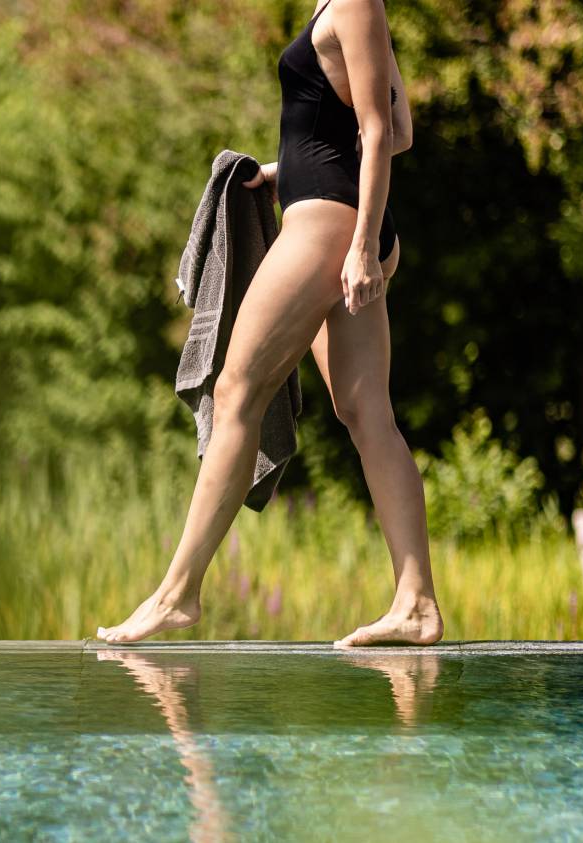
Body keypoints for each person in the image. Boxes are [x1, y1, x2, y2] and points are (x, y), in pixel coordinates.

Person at [97, 0, 443, 647]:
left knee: (236, 391)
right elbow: (392, 129)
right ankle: (416, 600)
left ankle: (177, 595)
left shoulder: (355, 4)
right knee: (367, 415)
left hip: (329, 226)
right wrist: (279, 172)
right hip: (328, 213)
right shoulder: (336, 8)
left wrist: (363, 245)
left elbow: (381, 133)